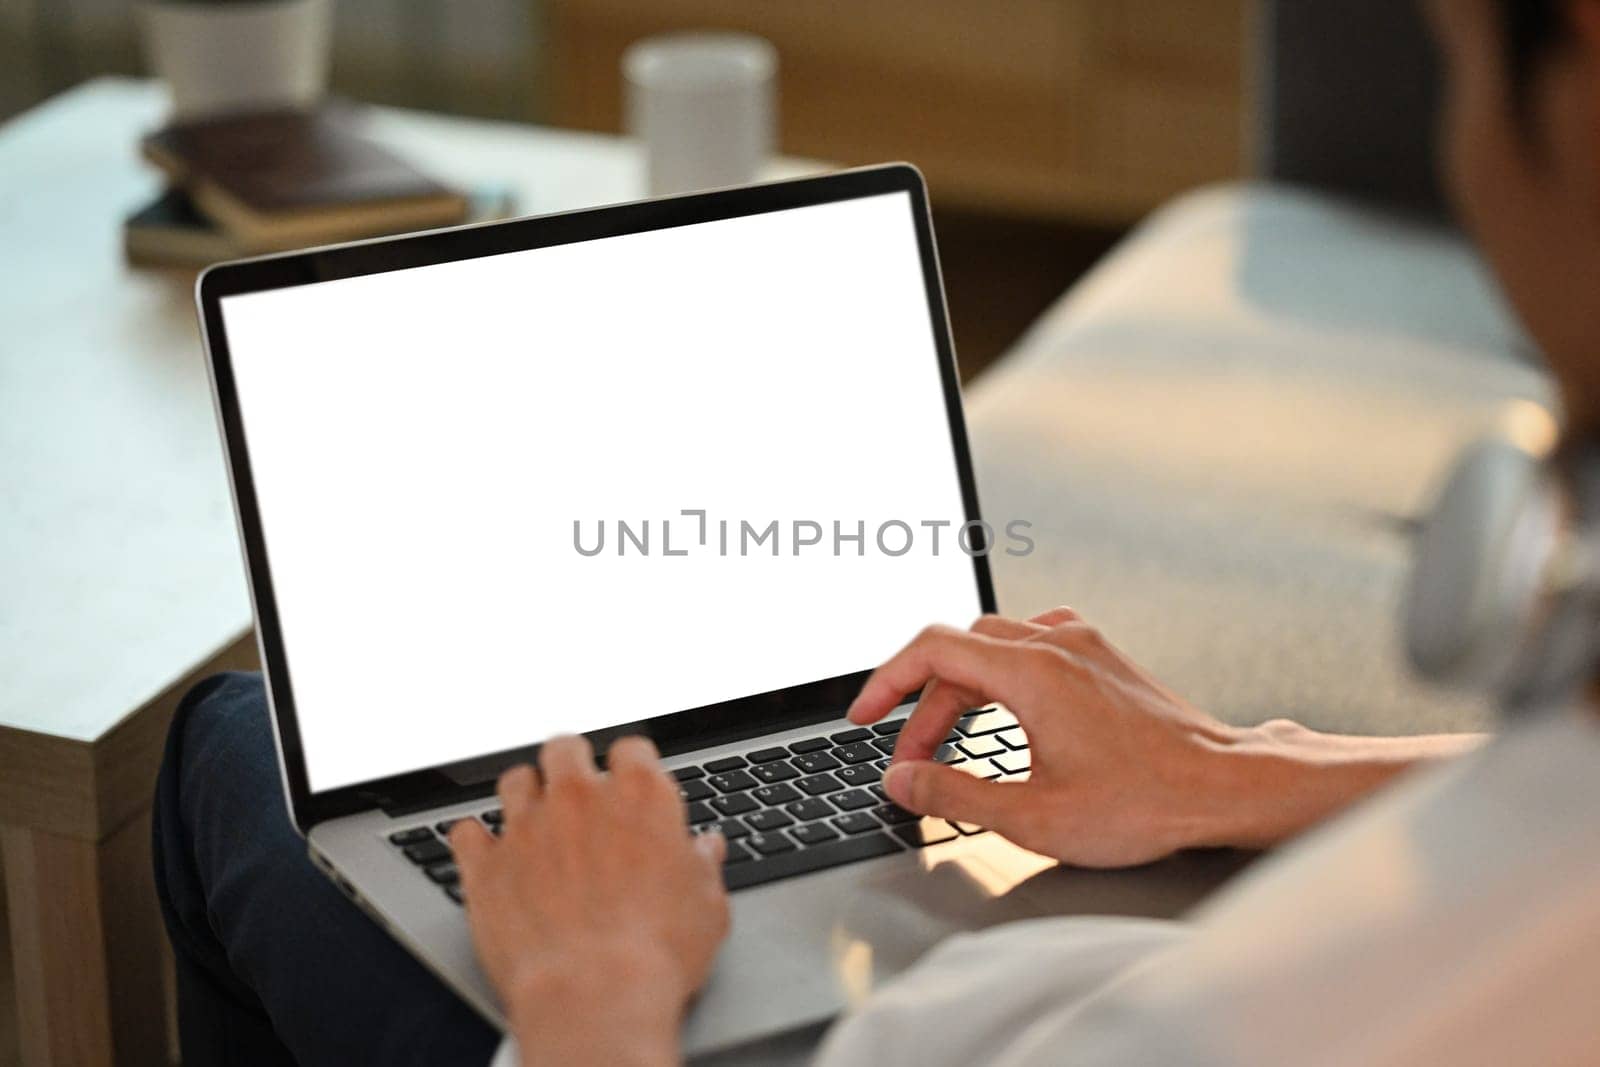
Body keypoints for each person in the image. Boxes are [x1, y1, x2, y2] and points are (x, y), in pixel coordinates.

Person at [153, 0, 1600, 1062]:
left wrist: (592, 987)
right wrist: (1246, 768)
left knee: (236, 747)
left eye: (1459, 65)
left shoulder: (1365, 994)